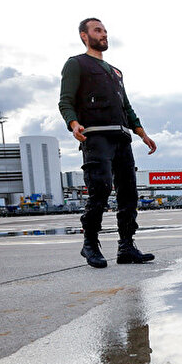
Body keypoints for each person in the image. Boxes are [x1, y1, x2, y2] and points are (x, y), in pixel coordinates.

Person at [59, 18, 158, 268]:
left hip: (122, 136)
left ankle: (126, 247)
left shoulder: (116, 72)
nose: (104, 34)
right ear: (84, 36)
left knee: (129, 193)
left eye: (104, 31)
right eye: (98, 30)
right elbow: (65, 101)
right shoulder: (76, 64)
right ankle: (90, 243)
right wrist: (73, 124)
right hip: (96, 135)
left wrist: (142, 133)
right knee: (100, 189)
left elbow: (126, 106)